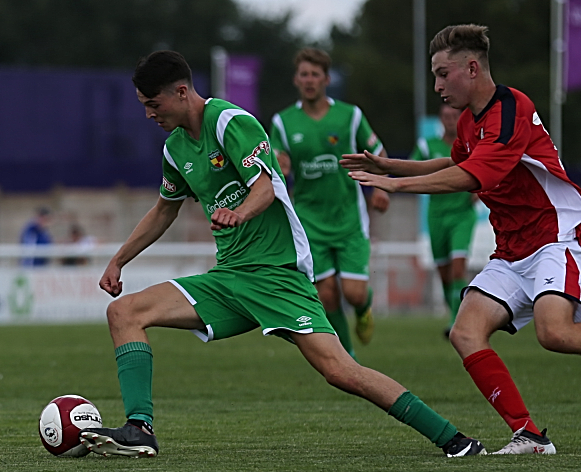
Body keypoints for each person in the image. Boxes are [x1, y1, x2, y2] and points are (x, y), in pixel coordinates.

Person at [78, 50, 485, 459]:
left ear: (181, 92)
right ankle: (139, 429)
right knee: (124, 312)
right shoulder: (175, 150)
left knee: (340, 372)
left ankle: (454, 439)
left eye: (153, 104)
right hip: (229, 279)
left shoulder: (230, 122)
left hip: (277, 276)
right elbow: (165, 208)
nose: (149, 114)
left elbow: (266, 187)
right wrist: (118, 260)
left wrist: (239, 213)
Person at [341, 24, 581, 454]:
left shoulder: (510, 108)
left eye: (442, 73)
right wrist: (390, 166)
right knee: (465, 332)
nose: (436, 85)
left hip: (553, 237)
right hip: (511, 250)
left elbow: (474, 174)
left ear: (471, 68)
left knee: (556, 333)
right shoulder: (470, 124)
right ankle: (528, 435)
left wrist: (396, 188)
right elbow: (454, 161)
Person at [269, 48, 390, 359]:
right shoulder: (283, 122)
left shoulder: (350, 116)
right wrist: (280, 166)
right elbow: (276, 161)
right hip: (309, 221)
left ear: (326, 78)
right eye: (304, 74)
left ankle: (364, 306)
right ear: (296, 80)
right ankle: (346, 356)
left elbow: (378, 152)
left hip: (349, 218)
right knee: (326, 295)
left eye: (315, 74)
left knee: (353, 292)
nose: (309, 80)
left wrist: (381, 187)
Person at [409, 103, 477, 337]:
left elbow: (488, 169)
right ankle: (457, 318)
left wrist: (481, 188)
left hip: (462, 215)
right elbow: (412, 167)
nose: (450, 120)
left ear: (461, 118)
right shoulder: (428, 146)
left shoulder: (471, 145)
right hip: (436, 215)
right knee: (444, 273)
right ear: (440, 119)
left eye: (454, 116)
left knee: (458, 269)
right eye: (445, 116)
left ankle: (454, 324)